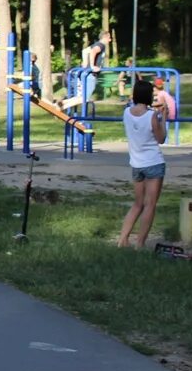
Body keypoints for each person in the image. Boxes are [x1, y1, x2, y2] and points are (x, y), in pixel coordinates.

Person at [118, 78, 167, 249]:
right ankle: (140, 243)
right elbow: (161, 139)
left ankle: (122, 239)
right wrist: (164, 118)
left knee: (137, 203)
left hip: (136, 164)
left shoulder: (126, 113)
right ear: (149, 95)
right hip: (153, 162)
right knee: (150, 205)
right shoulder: (152, 116)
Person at [63, 31, 110, 111]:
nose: (110, 40)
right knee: (84, 98)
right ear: (105, 37)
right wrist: (92, 66)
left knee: (81, 97)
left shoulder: (96, 44)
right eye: (109, 38)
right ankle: (61, 106)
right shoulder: (101, 45)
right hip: (90, 74)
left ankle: (61, 103)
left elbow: (84, 51)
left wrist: (85, 63)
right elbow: (93, 52)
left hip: (86, 73)